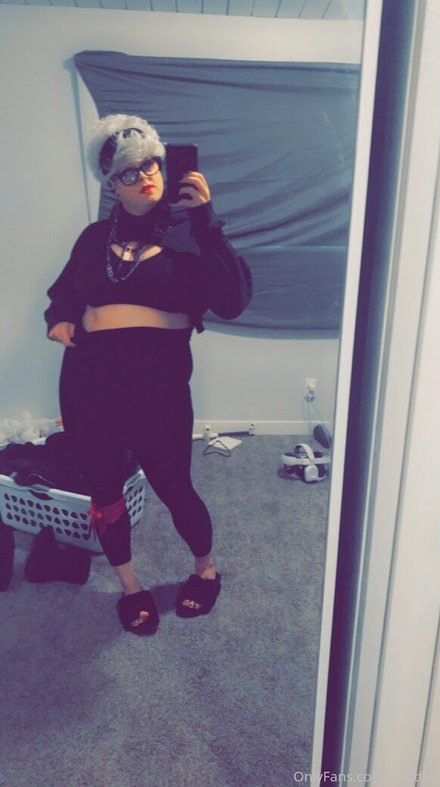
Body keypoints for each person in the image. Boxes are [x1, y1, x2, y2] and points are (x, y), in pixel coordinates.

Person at [44, 114, 252, 636]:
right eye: (129, 172)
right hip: (88, 383)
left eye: (151, 165)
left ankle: (205, 570)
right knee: (105, 491)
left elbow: (233, 300)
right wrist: (60, 320)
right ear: (111, 183)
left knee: (175, 486)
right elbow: (64, 293)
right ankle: (131, 588)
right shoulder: (95, 237)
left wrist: (206, 219)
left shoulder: (192, 235)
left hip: (158, 389)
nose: (145, 177)